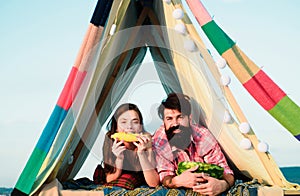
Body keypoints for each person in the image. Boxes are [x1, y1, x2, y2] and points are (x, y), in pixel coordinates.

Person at [152, 93, 235, 195]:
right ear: (164, 122)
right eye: (169, 119)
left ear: (189, 118)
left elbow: (226, 172)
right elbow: (165, 175)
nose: (175, 124)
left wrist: (222, 185)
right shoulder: (160, 140)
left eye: (180, 117)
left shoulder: (203, 136)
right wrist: (176, 181)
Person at [102, 103, 159, 189]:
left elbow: (154, 183)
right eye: (123, 122)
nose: (129, 126)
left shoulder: (147, 142)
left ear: (140, 127)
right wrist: (119, 159)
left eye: (135, 122)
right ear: (116, 127)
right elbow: (110, 179)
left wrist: (141, 154)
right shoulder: (110, 142)